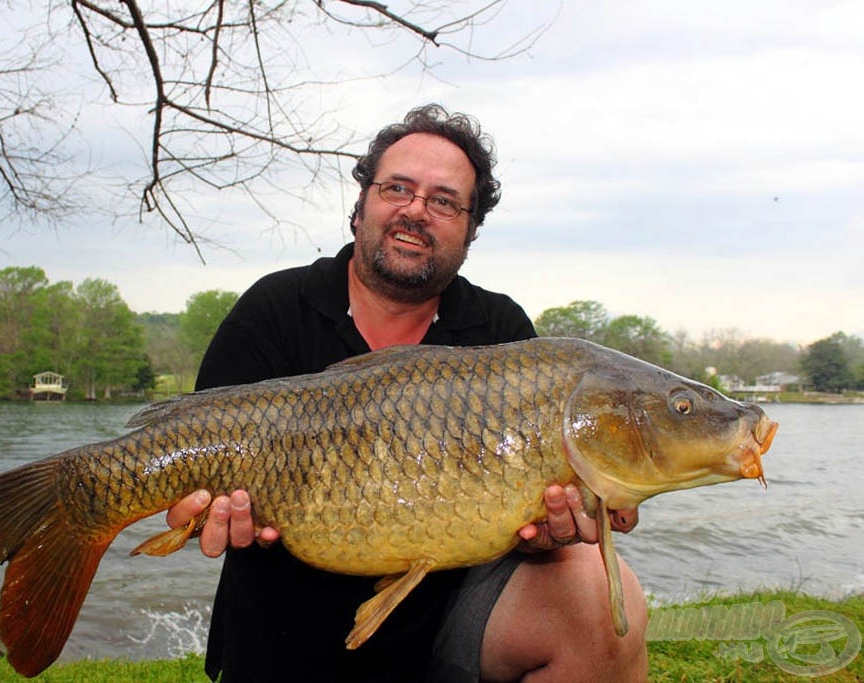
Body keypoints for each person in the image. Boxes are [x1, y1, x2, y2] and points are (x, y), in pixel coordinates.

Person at [166, 104, 649, 682]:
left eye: (444, 201)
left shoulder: (500, 333)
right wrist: (197, 513)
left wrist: (551, 533)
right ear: (361, 206)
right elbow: (186, 477)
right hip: (281, 636)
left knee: (600, 597)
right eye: (398, 188)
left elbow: (530, 529)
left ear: (471, 230)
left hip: (448, 625)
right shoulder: (271, 312)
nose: (416, 210)